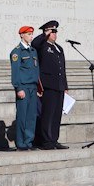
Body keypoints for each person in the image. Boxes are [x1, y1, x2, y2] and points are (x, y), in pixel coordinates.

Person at [32, 20, 69, 150]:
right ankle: (46, 141)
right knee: (47, 114)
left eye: (55, 32)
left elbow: (62, 69)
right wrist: (44, 35)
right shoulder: (42, 46)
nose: (54, 34)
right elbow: (34, 43)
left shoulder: (59, 48)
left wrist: (65, 86)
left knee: (56, 115)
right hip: (48, 86)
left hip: (59, 86)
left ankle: (54, 139)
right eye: (52, 32)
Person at [10, 25, 41, 151]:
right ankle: (21, 142)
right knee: (22, 116)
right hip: (23, 87)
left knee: (31, 116)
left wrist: (38, 87)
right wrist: (18, 88)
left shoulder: (33, 51)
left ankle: (29, 141)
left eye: (31, 34)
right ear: (21, 35)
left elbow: (36, 70)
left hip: (33, 87)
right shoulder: (17, 52)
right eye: (28, 34)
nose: (31, 36)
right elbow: (15, 72)